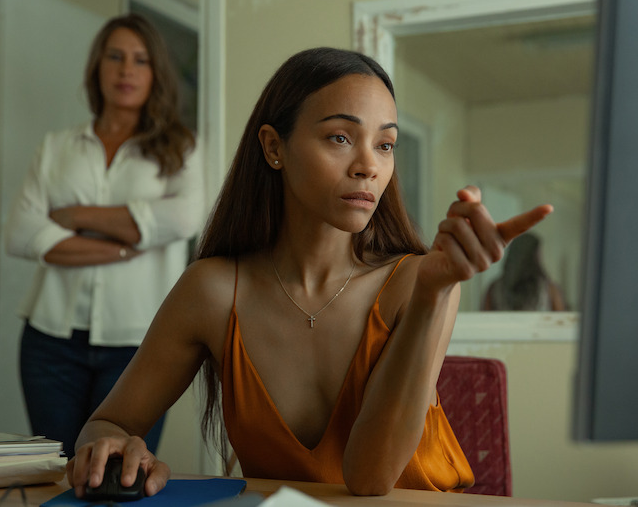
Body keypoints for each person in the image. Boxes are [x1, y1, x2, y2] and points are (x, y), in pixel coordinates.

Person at [66, 47, 552, 497]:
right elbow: (106, 424)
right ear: (274, 147)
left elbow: (368, 478)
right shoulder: (212, 291)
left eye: (385, 145)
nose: (368, 166)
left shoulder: (416, 281)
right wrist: (116, 448)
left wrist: (434, 293)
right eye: (340, 137)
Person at [4, 14, 205, 457]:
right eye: (115, 56)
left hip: (139, 349)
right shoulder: (56, 146)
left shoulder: (182, 148)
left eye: (140, 60)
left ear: (156, 74)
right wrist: (123, 245)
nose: (126, 70)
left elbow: (184, 218)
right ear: (98, 66)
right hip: (49, 342)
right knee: (56, 473)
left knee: (117, 476)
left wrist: (73, 215)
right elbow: (20, 234)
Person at [481, 232, 566, 311]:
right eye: (538, 255)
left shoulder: (494, 288)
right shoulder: (549, 290)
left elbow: (482, 321)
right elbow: (561, 323)